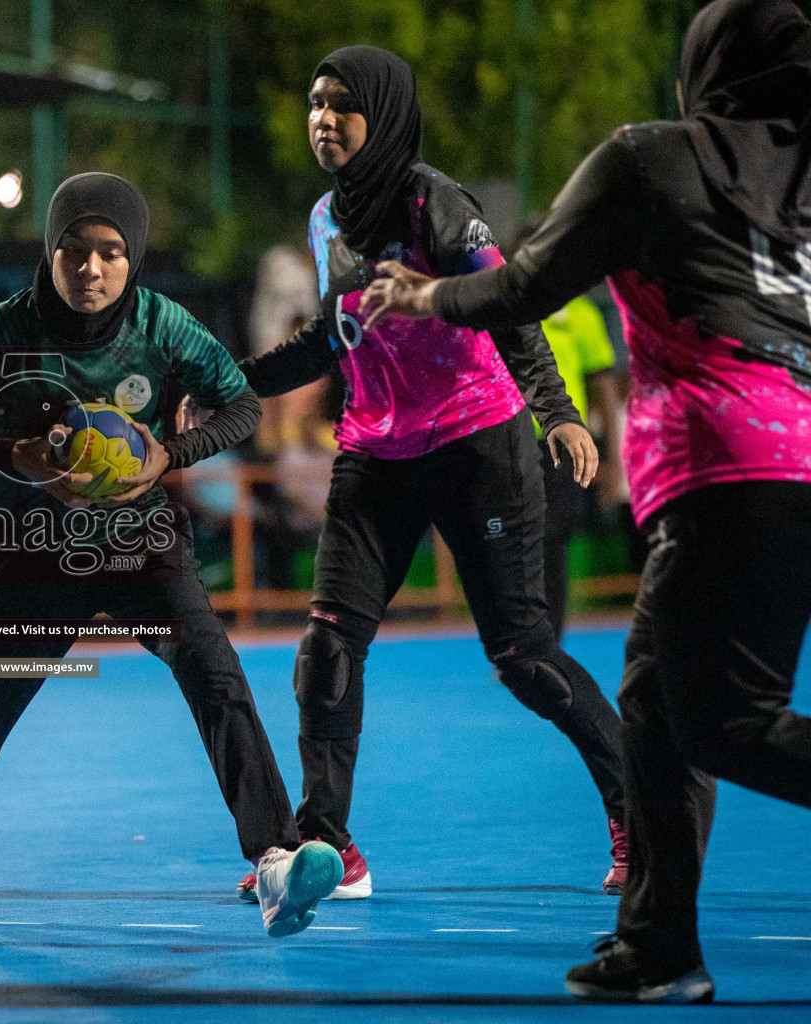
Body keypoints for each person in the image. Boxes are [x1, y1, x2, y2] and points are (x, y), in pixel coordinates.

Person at [360, 0, 811, 1003]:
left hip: (735, 467)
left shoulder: (654, 157)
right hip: (793, 464)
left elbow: (522, 287)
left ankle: (660, 944)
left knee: (723, 723)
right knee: (652, 703)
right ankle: (659, 946)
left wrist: (425, 294)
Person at [0, 172, 344, 938]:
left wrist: (171, 454)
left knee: (218, 680)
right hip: (32, 552)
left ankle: (277, 860)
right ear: (51, 252)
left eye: (111, 253)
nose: (91, 268)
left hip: (142, 544)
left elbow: (243, 404)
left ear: (134, 259)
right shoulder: (5, 333)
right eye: (74, 251)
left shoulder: (164, 327)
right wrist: (6, 451)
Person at [234, 45, 628, 907]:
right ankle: (327, 844)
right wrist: (235, 380)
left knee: (524, 657)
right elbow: (329, 337)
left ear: (385, 113)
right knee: (327, 647)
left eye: (342, 104)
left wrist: (557, 411)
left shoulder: (436, 205)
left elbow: (511, 304)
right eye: (314, 103)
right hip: (375, 449)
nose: (323, 120)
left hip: (476, 445)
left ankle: (641, 805)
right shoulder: (324, 220)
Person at [531, 292, 624, 637]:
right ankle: (515, 638)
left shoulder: (581, 312)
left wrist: (614, 464)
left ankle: (548, 642)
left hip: (563, 446)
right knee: (508, 542)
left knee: (553, 541)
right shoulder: (502, 302)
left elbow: (604, 388)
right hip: (506, 441)